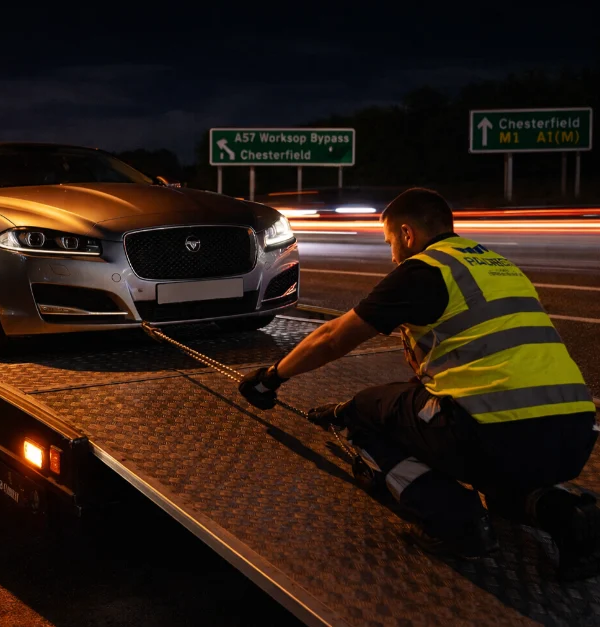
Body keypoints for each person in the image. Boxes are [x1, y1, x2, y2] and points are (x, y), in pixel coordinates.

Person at [239, 187, 600, 579]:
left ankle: (457, 523)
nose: (393, 255)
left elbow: (333, 338)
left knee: (364, 415)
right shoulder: (496, 264)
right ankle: (568, 514)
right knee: (502, 478)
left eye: (391, 242)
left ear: (407, 234)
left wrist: (273, 377)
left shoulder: (424, 270)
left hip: (493, 432)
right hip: (574, 433)